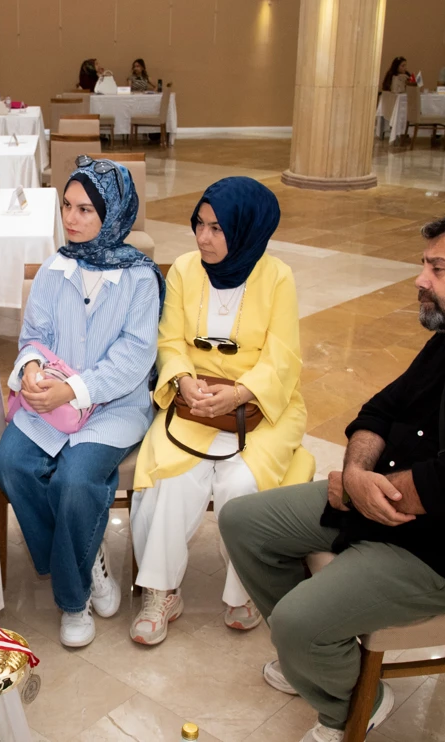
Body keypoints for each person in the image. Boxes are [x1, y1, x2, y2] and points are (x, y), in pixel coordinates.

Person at [219, 210, 445, 742]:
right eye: (424, 266)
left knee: (300, 621)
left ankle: (348, 708)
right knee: (243, 522)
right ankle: (330, 668)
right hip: (397, 499)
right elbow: (380, 410)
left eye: (438, 269)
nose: (421, 280)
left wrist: (364, 491)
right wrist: (356, 470)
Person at [127, 177, 312, 645]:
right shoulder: (185, 270)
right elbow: (168, 340)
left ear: (247, 230)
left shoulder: (277, 277)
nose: (203, 238)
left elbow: (283, 356)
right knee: (172, 475)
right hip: (193, 403)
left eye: (217, 228)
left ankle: (244, 591)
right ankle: (161, 591)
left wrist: (241, 393)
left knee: (241, 482)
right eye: (199, 225)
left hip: (260, 407)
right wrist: (184, 381)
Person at [0, 157, 161, 648]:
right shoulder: (55, 267)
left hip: (113, 407)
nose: (72, 218)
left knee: (74, 479)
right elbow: (33, 336)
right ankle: (87, 556)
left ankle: (72, 596)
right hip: (53, 401)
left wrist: (72, 390)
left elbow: (133, 360)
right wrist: (28, 370)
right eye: (67, 205)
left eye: (86, 209)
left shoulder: (139, 279)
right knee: (9, 463)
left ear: (113, 213)